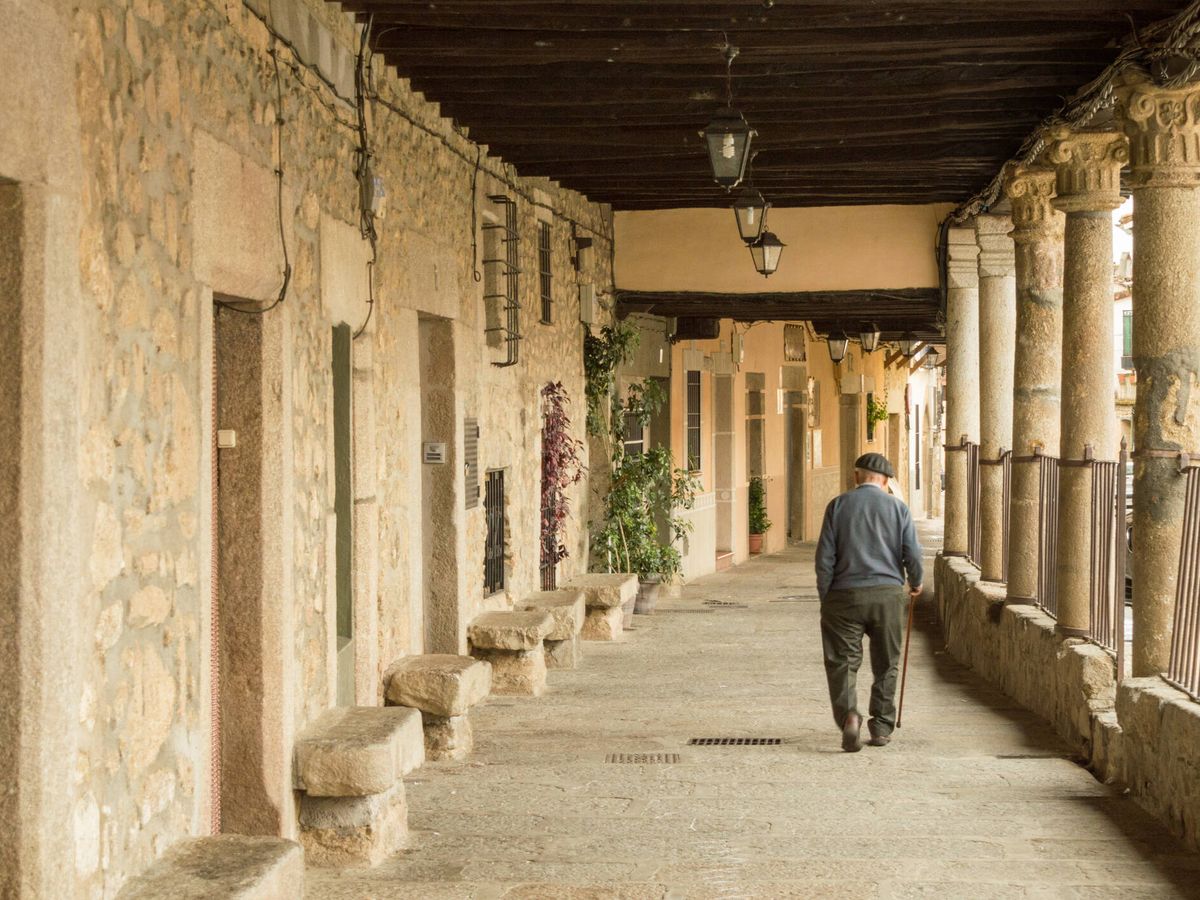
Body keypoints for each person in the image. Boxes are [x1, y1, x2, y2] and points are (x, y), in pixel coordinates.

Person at [815, 452, 923, 752]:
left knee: (842, 663)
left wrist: (827, 597)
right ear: (886, 481)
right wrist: (916, 581)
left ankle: (849, 716)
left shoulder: (837, 506)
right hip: (887, 595)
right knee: (887, 663)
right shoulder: (898, 509)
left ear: (855, 476)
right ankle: (881, 727)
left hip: (843, 596)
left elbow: (824, 559)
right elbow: (912, 553)